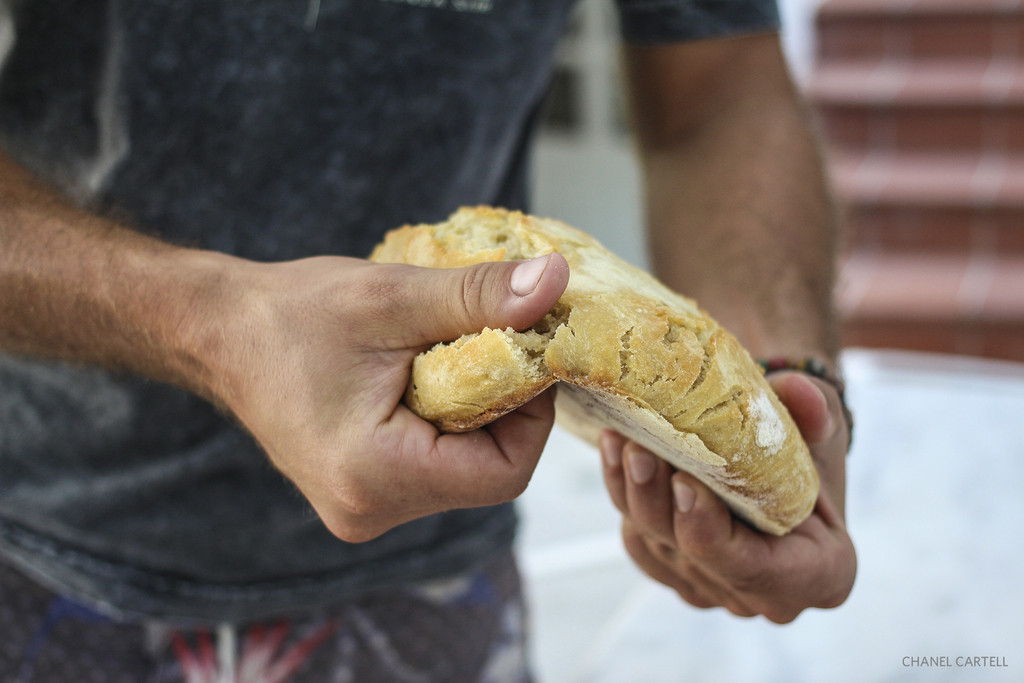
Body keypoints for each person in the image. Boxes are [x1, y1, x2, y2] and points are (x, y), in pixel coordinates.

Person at [0, 0, 856, 680]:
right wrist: (207, 325)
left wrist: (776, 383)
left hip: (443, 572)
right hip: (39, 557)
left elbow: (718, 93)